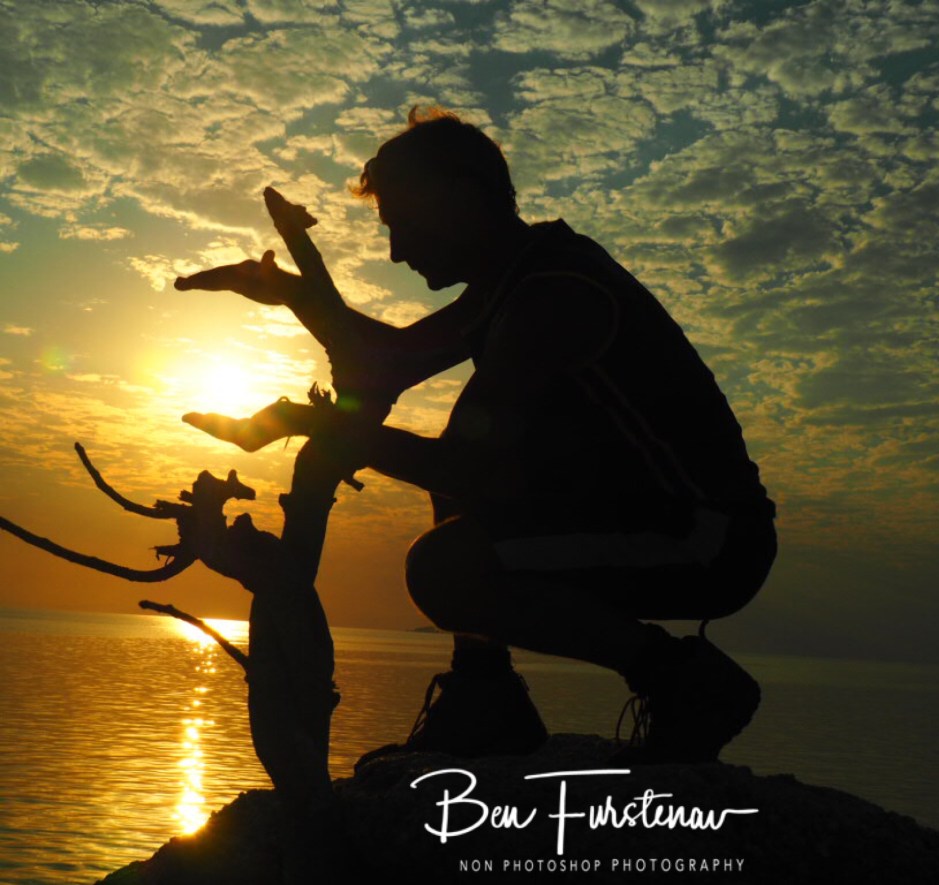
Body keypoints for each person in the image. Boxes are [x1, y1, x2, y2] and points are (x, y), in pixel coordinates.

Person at [176, 107, 777, 765]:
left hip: (706, 538)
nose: (397, 251)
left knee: (441, 565)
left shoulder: (550, 295)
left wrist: (313, 423)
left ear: (460, 198)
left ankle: (681, 680)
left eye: (401, 225)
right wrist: (295, 295)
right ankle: (486, 697)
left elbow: (464, 468)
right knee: (466, 467)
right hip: (632, 515)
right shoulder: (516, 280)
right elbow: (395, 360)